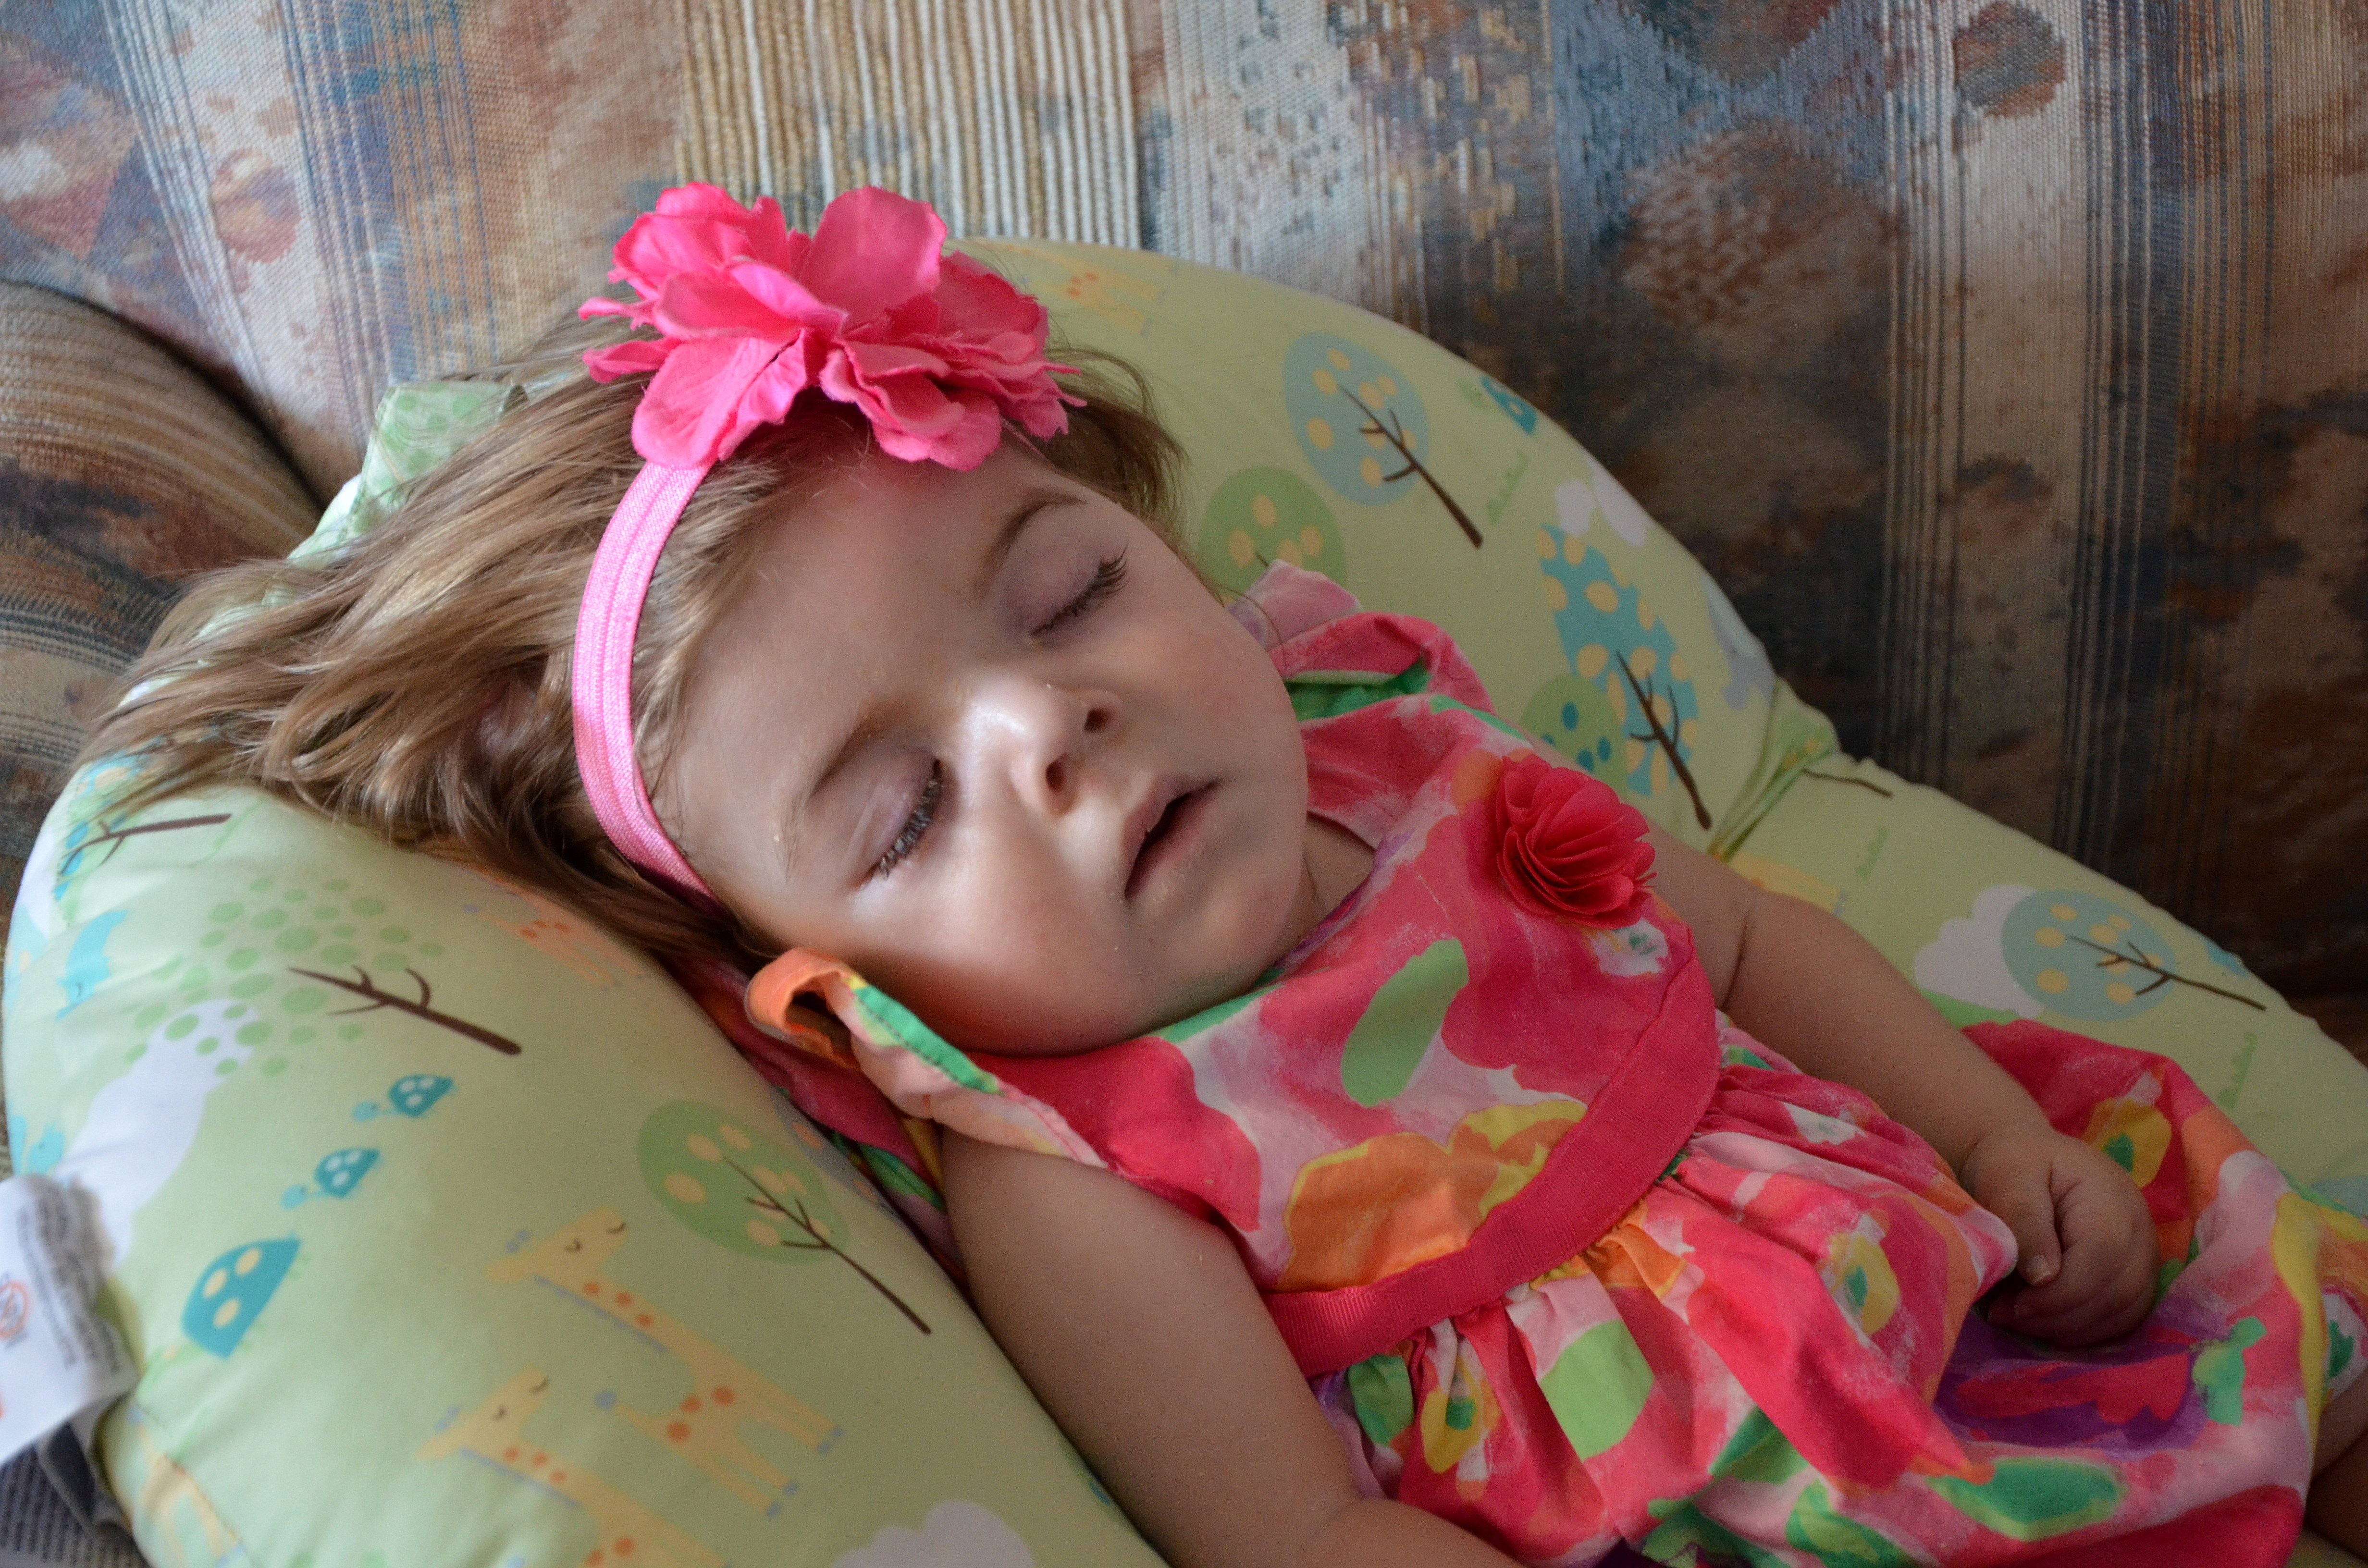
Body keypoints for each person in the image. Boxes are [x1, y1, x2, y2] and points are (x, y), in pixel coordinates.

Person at [87, 183, 2368, 1566]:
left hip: (1982, 1279)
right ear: (817, 966)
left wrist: (1976, 1129)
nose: (1049, 724)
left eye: (1070, 592)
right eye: (905, 813)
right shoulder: (1076, 1170)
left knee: (2301, 1348)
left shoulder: (1401, 749)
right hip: (1769, 1502)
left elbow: (1747, 936)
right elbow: (1296, 1533)